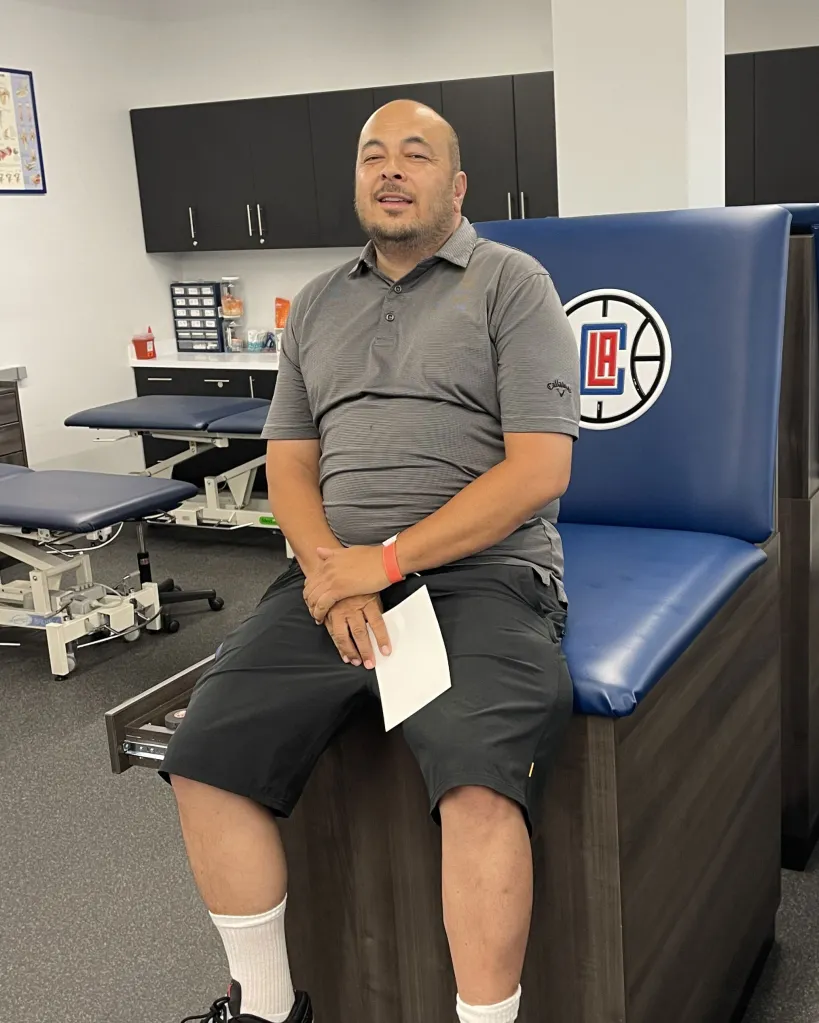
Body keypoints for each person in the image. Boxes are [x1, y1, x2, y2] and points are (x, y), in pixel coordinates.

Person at [166, 99, 580, 1023]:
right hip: (333, 575)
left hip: (484, 575)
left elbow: (539, 469)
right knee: (202, 754)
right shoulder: (316, 304)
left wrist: (383, 562)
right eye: (372, 157)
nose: (390, 170)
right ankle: (268, 1008)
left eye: (416, 155)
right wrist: (327, 569)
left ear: (457, 184)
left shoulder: (513, 284)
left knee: (478, 779)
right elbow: (291, 462)